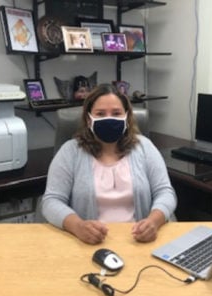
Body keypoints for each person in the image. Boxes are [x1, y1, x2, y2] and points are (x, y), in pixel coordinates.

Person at [41, 83, 177, 244]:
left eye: (116, 113)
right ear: (88, 119)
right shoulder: (70, 151)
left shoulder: (144, 147)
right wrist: (78, 226)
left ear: (126, 117)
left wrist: (154, 221)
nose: (109, 118)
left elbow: (165, 192)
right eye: (100, 114)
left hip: (138, 242)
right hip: (88, 243)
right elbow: (51, 201)